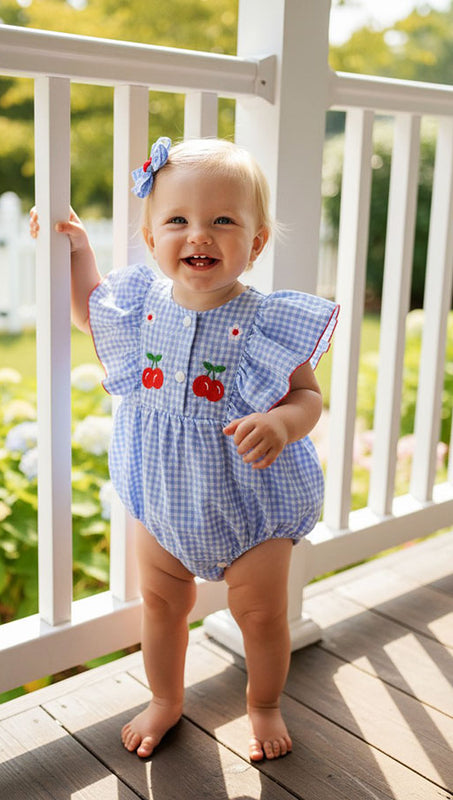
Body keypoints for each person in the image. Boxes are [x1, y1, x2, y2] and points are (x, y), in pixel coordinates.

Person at [30, 136, 339, 762]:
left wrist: (281, 424)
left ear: (253, 244)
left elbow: (308, 398)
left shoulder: (266, 320)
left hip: (251, 502)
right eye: (178, 220)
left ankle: (264, 703)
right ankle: (167, 699)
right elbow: (90, 309)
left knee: (261, 616)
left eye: (223, 221)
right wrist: (77, 248)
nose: (199, 235)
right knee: (163, 605)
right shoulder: (141, 303)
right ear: (151, 239)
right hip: (162, 494)